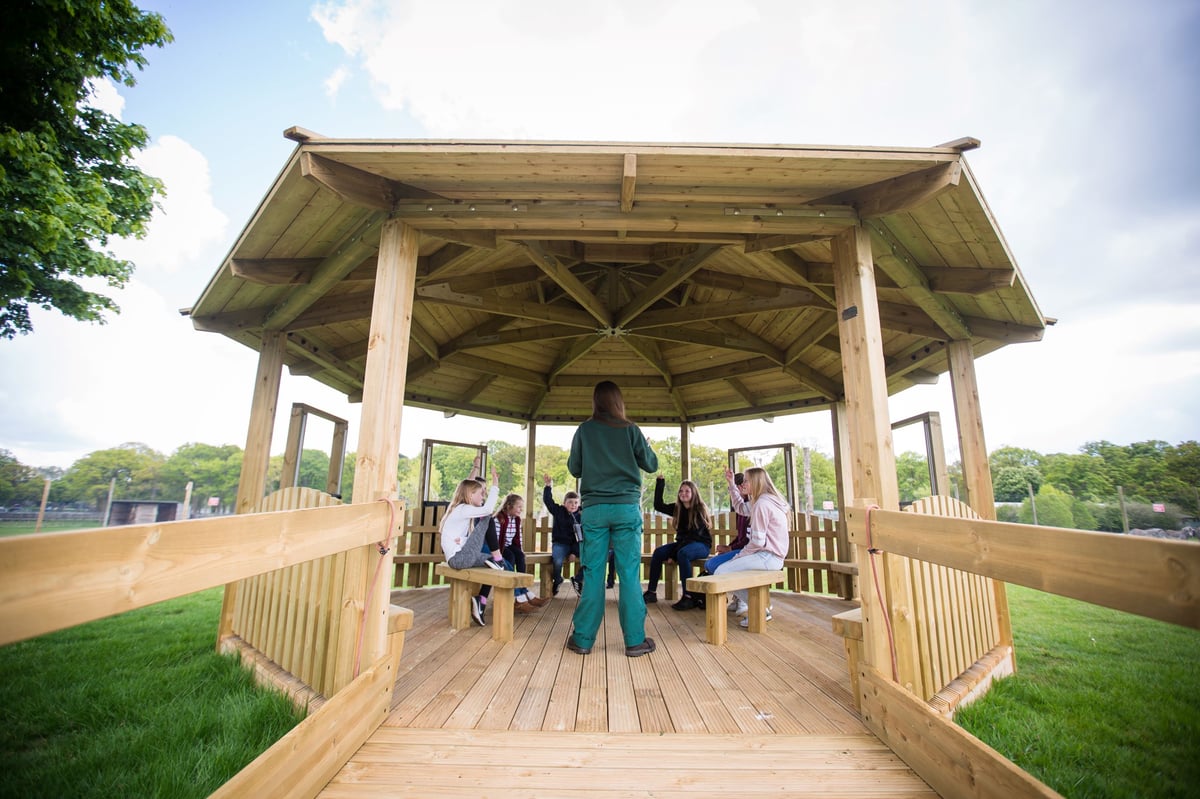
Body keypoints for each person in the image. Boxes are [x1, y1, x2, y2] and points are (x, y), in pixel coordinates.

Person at [564, 380, 659, 658]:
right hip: (626, 508)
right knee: (629, 573)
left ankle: (582, 639)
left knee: (593, 572)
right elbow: (651, 465)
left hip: (593, 509)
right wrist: (645, 446)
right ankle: (635, 641)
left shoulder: (584, 430)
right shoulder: (631, 429)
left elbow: (574, 467)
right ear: (619, 401)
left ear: (595, 401)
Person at [714, 466, 789, 627]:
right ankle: (760, 608)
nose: (743, 484)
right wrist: (731, 484)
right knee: (725, 570)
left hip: (768, 557)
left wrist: (738, 556)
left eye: (746, 480)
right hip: (770, 556)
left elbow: (757, 542)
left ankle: (760, 610)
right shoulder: (764, 500)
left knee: (721, 571)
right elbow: (740, 508)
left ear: (756, 482)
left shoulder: (762, 504)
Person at [644, 476, 712, 611]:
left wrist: (674, 555)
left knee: (683, 553)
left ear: (693, 493)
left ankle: (688, 597)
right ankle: (651, 592)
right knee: (658, 552)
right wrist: (660, 483)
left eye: (687, 491)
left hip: (700, 545)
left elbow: (693, 536)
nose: (683, 494)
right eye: (681, 491)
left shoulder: (699, 509)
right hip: (683, 544)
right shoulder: (677, 508)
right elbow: (658, 505)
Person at [495, 493, 549, 610]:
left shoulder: (516, 520)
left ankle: (524, 590)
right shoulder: (499, 518)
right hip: (498, 548)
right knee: (511, 557)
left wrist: (521, 551)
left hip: (509, 545)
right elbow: (496, 541)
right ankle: (517, 597)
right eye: (519, 507)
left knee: (519, 555)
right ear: (509, 506)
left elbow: (518, 538)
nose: (521, 509)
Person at [543, 476, 582, 596]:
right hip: (560, 543)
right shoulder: (559, 511)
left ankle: (578, 580)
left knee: (589, 558)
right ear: (564, 503)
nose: (573, 505)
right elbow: (548, 502)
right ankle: (558, 579)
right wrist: (548, 487)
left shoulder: (581, 515)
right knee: (558, 560)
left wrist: (574, 552)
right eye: (570, 502)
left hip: (575, 545)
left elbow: (581, 536)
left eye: (576, 502)